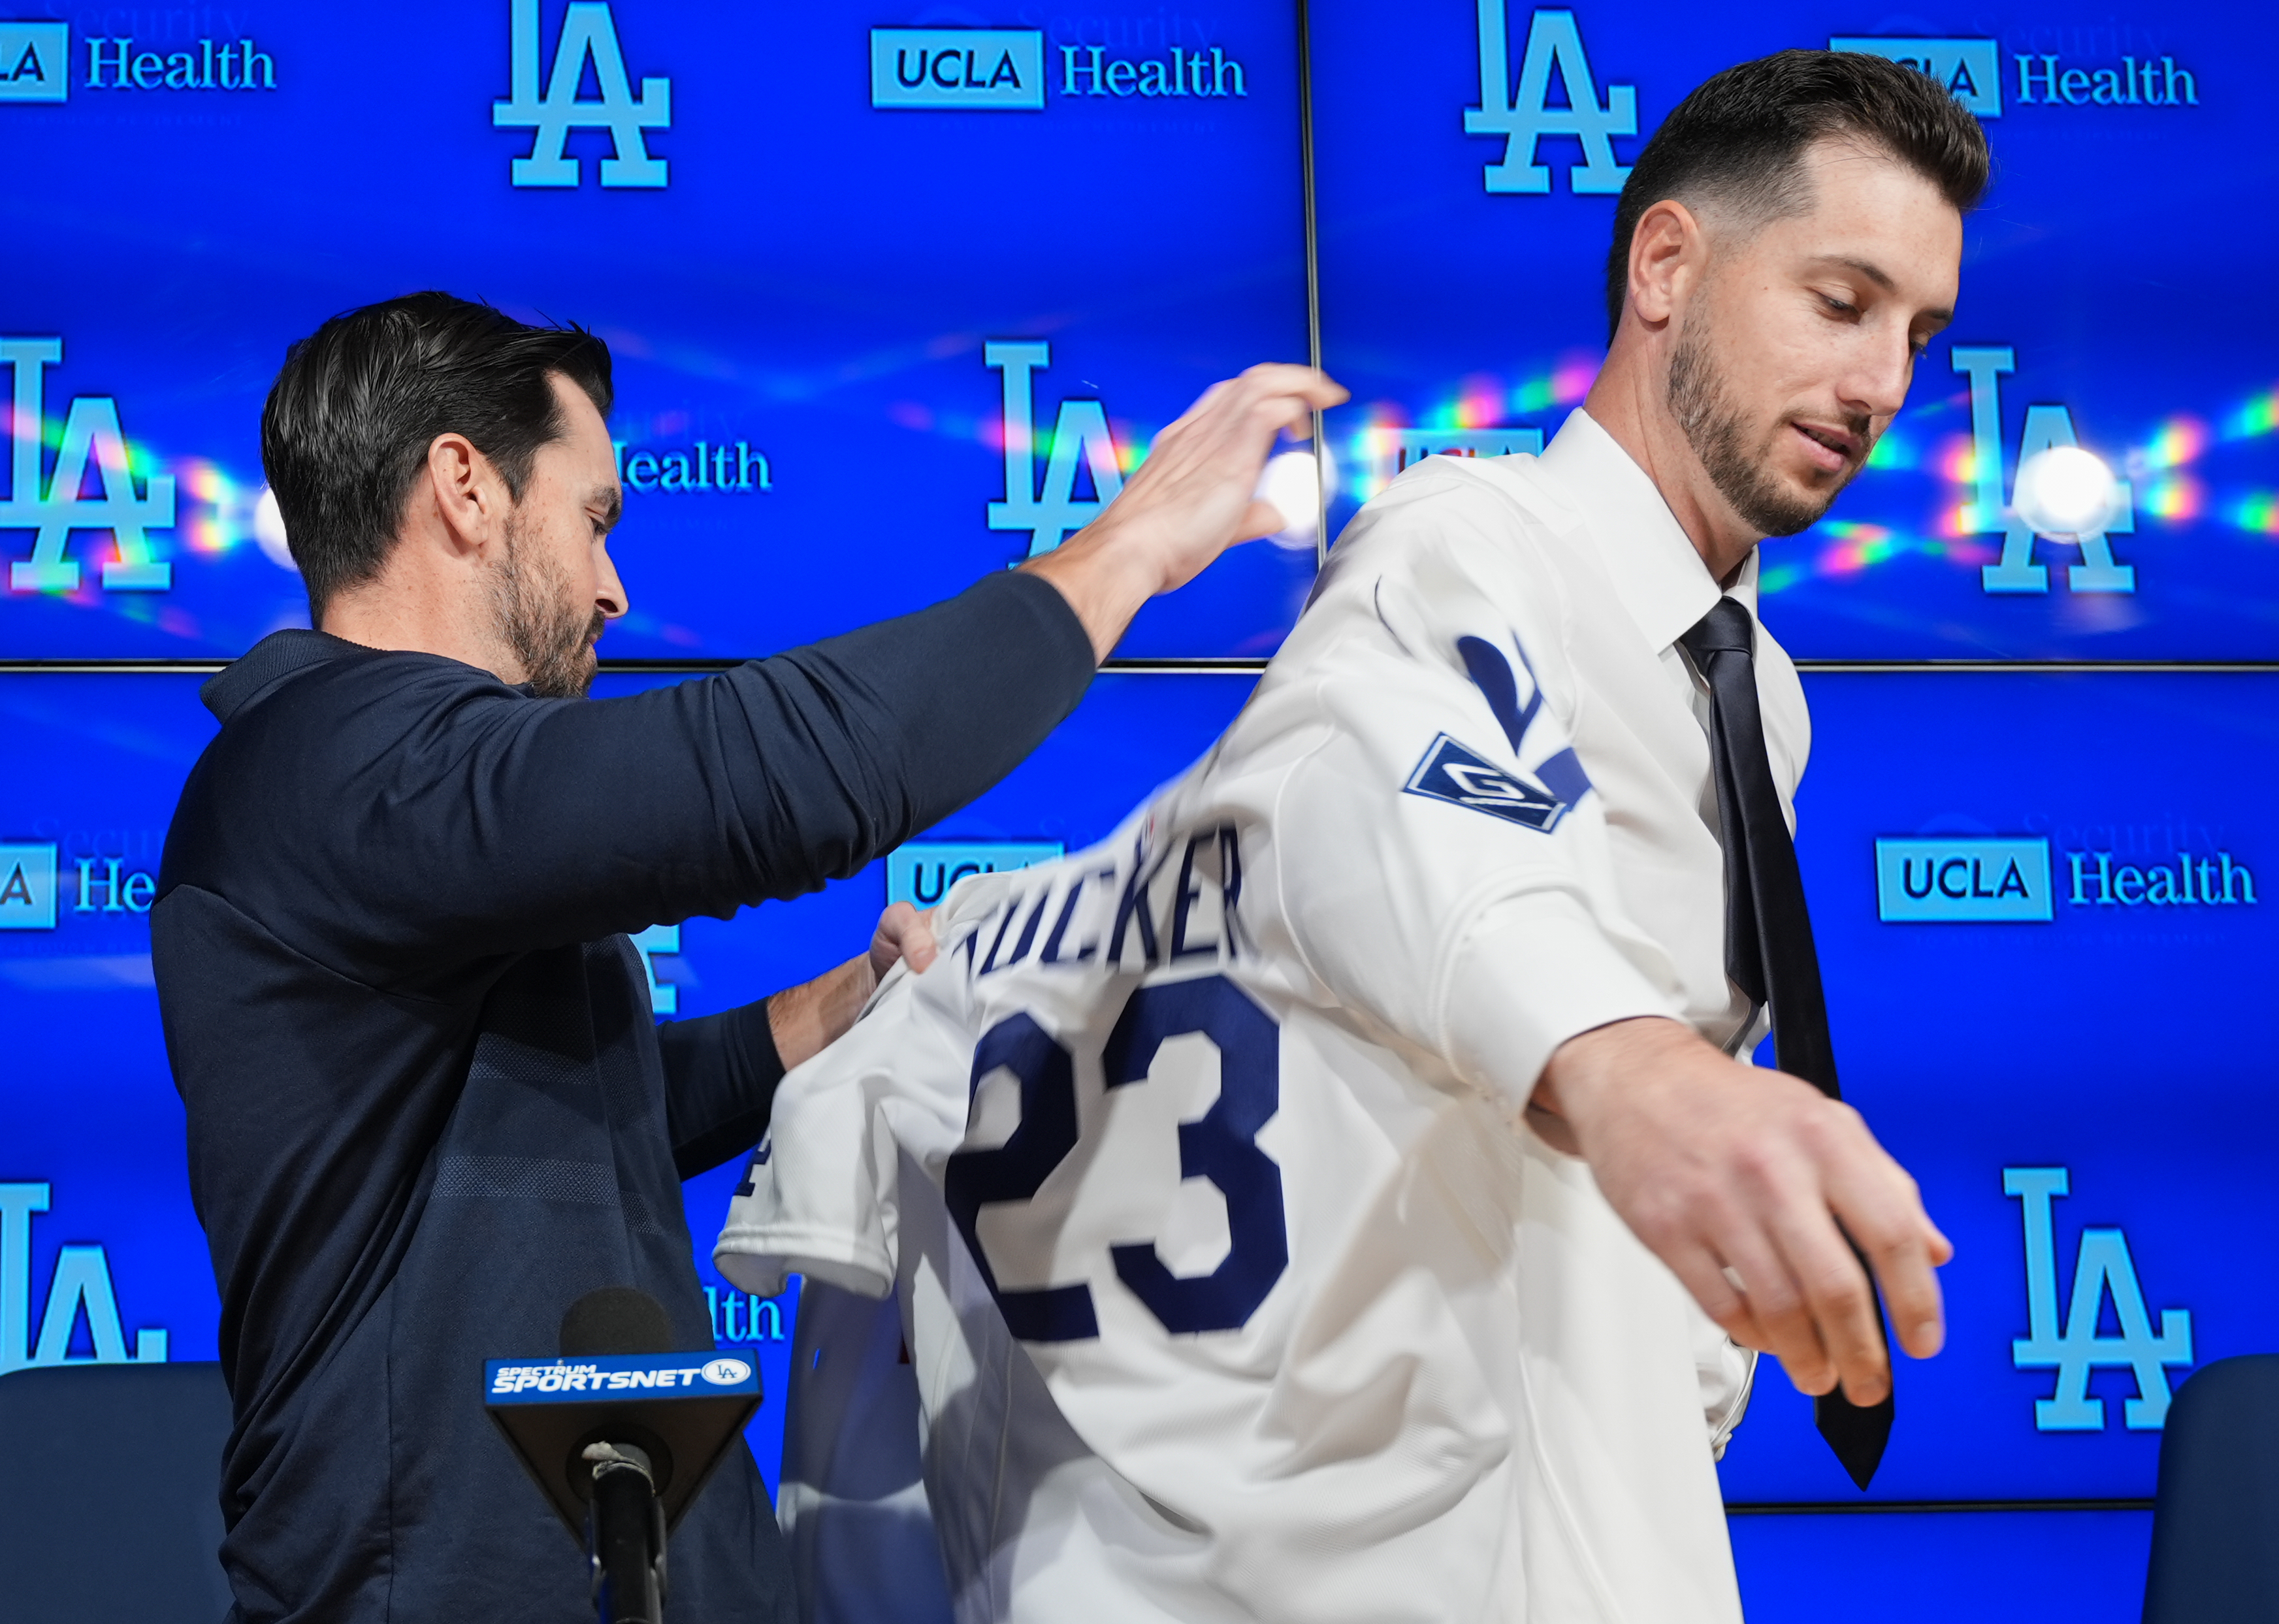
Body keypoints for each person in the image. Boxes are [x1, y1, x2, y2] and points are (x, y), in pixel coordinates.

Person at [719, 50, 1986, 1621]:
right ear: (1665, 265)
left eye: (1919, 333)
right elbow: (1391, 799)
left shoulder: (1755, 690)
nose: (1881, 383)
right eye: (1840, 301)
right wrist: (1627, 1068)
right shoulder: (1465, 546)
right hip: (1363, 1523)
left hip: (1570, 1458)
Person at [149, 290, 1341, 1624]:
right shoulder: (327, 765)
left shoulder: (388, 802)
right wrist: (1124, 552)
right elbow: (760, 775)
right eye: (593, 518)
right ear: (464, 489)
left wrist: (838, 1008)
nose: (614, 587)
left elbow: (577, 1112)